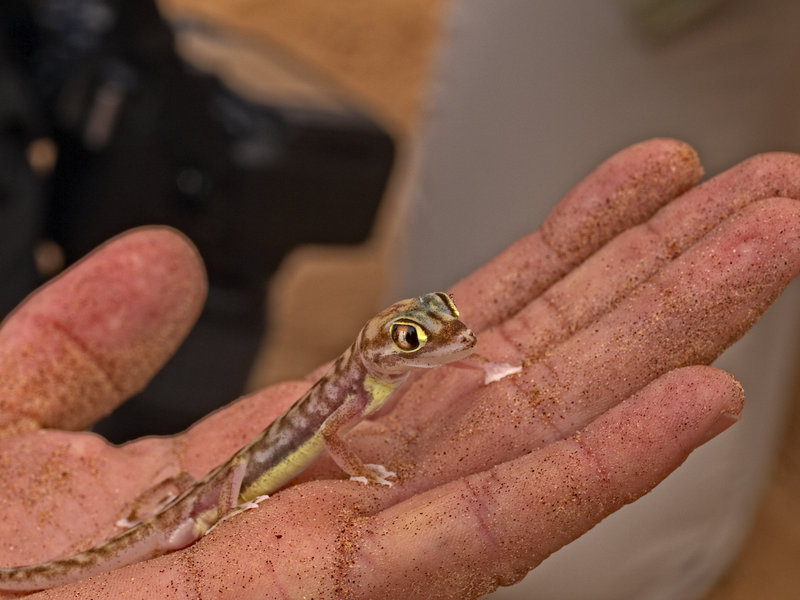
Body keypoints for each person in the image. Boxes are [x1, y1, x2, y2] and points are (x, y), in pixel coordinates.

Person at [0, 139, 797, 597]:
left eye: (437, 331)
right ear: (380, 354)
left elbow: (445, 364)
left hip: (207, 486)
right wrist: (365, 472)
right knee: (189, 521)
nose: (441, 344)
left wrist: (467, 368)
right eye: (417, 341)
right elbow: (338, 439)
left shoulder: (379, 377)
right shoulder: (354, 396)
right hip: (209, 501)